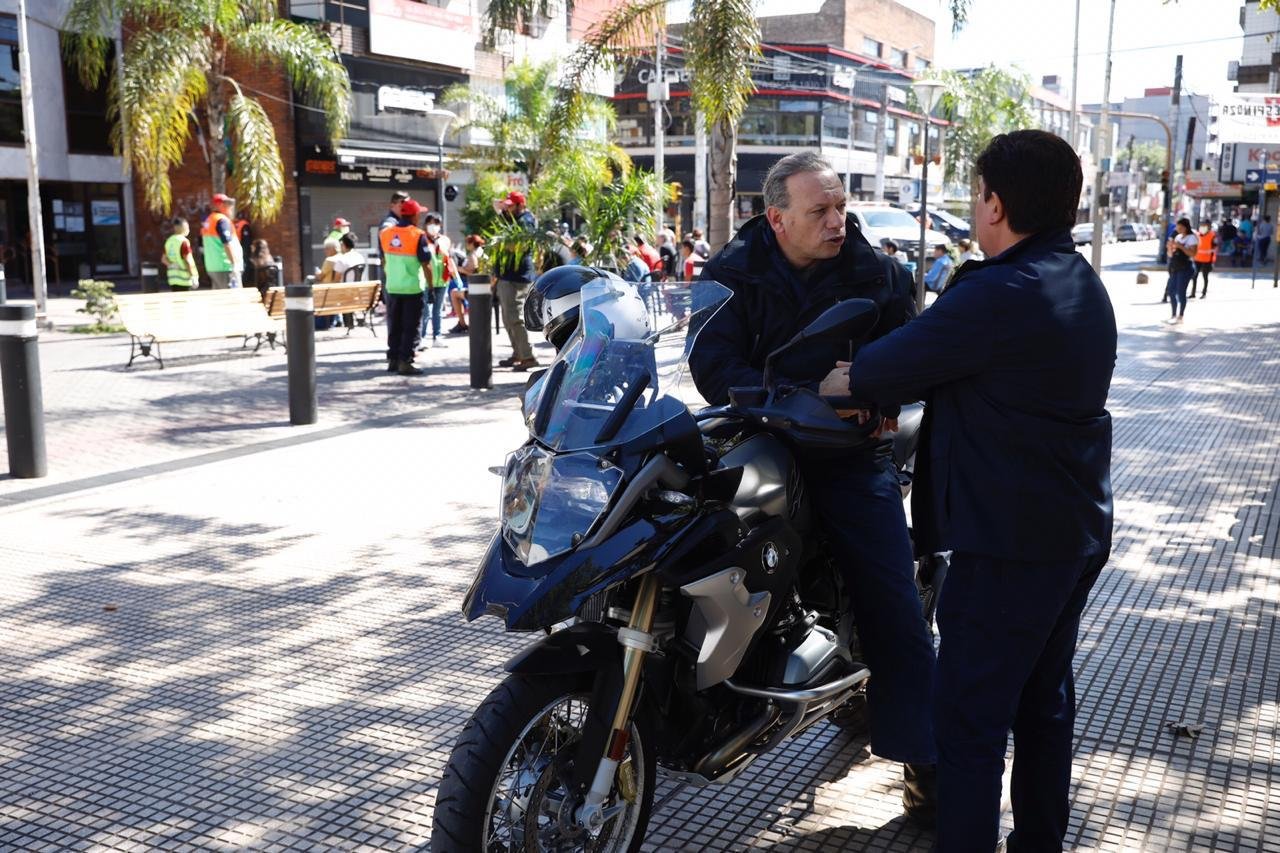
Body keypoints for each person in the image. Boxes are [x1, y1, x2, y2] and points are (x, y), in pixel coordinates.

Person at [835, 129, 1117, 851]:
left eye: (975, 191)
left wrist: (826, 381)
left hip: (1009, 544)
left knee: (968, 722)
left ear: (994, 203)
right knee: (1043, 704)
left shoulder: (998, 293)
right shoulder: (1076, 277)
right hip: (1073, 532)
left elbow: (874, 372)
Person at [689, 151, 937, 823]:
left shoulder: (875, 273)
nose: (836, 221)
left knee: (893, 600)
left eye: (839, 207)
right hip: (758, 434)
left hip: (846, 453)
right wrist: (784, 395)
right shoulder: (734, 270)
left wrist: (874, 391)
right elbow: (710, 361)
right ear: (777, 219)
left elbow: (916, 352)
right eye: (819, 211)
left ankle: (928, 766)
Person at [379, 198, 434, 375]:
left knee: (395, 325)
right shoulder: (417, 235)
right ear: (415, 215)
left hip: (393, 287)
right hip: (412, 288)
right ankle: (405, 361)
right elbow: (426, 264)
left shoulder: (385, 234)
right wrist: (431, 287)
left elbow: (383, 260)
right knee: (410, 327)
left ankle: (393, 360)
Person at [492, 191, 539, 371]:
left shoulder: (525, 220)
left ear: (520, 206)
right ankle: (518, 353)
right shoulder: (510, 218)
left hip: (517, 276)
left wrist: (500, 244)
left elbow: (521, 245)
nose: (508, 208)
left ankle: (527, 356)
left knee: (515, 317)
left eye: (511, 205)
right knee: (507, 318)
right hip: (507, 275)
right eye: (507, 205)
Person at [419, 212, 455, 349]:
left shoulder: (444, 240)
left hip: (442, 280)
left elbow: (449, 258)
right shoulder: (422, 239)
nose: (433, 226)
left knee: (438, 310)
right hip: (426, 281)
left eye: (436, 223)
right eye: (430, 223)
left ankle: (437, 337)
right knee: (425, 311)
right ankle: (421, 337)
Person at [201, 193, 244, 288]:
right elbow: (227, 243)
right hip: (226, 267)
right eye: (227, 204)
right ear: (220, 205)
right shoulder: (222, 220)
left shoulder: (209, 220)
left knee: (220, 298)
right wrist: (234, 264)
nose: (230, 207)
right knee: (233, 298)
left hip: (213, 267)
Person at [1165, 217, 1197, 324]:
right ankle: (1173, 314)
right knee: (1171, 291)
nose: (1178, 229)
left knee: (1181, 292)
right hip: (1175, 267)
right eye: (1177, 227)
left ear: (1185, 227)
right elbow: (1170, 254)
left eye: (1180, 227)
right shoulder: (1177, 237)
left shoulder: (1192, 238)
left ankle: (1181, 315)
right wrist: (1170, 247)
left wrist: (1181, 247)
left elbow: (1193, 254)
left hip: (1186, 268)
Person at [450, 234, 484, 334]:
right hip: (481, 286)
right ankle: (462, 322)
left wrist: (460, 269)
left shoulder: (473, 255)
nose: (466, 245)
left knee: (453, 292)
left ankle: (462, 323)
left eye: (468, 243)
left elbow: (474, 272)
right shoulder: (481, 252)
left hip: (475, 287)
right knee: (455, 289)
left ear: (472, 244)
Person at [161, 217, 199, 291]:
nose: (188, 230)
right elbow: (188, 260)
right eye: (187, 227)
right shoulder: (183, 241)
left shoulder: (169, 241)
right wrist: (193, 276)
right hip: (185, 280)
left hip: (173, 280)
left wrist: (171, 265)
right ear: (183, 227)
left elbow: (163, 259)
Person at [1191, 221, 1216, 299]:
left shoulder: (1212, 235)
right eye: (1202, 225)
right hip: (1197, 259)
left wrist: (1212, 260)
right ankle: (1193, 293)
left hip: (1207, 260)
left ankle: (1204, 293)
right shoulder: (1197, 235)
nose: (1202, 227)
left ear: (1209, 226)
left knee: (1205, 277)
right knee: (1194, 276)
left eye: (1204, 225)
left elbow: (1215, 248)